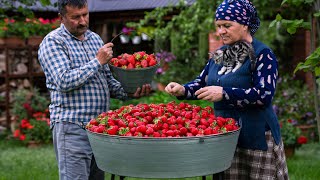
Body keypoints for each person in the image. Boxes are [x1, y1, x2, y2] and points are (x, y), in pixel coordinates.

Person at [165, 0, 289, 179]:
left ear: (245, 24)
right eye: (218, 26)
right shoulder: (220, 54)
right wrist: (182, 90)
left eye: (227, 26)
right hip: (224, 138)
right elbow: (202, 83)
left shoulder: (263, 54)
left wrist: (224, 93)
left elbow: (264, 95)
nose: (220, 31)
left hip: (256, 136)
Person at [38, 0, 151, 179]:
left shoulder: (94, 39)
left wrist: (130, 91)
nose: (83, 21)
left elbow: (107, 81)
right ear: (61, 17)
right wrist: (97, 61)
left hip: (100, 128)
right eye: (76, 17)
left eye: (85, 14)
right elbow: (64, 81)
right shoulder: (53, 42)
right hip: (72, 126)